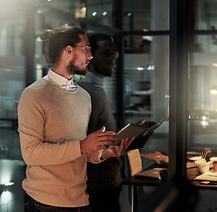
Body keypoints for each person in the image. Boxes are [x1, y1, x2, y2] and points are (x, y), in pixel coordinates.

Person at [17, 25, 134, 212]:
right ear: (69, 50)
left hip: (80, 200)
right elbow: (30, 153)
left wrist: (103, 153)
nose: (90, 56)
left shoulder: (83, 96)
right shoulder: (34, 95)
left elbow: (80, 152)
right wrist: (82, 146)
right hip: (45, 204)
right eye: (86, 49)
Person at [77, 34, 123, 212]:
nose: (112, 59)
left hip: (107, 183)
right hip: (98, 187)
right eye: (106, 54)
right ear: (90, 56)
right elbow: (83, 143)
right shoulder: (87, 92)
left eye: (113, 54)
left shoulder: (96, 89)